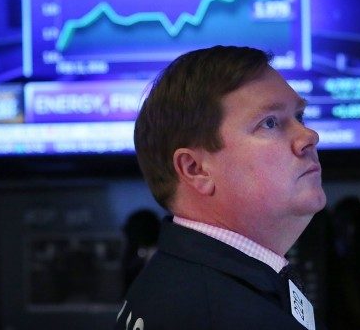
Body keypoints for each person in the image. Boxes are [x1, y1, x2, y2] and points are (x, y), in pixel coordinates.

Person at [116, 45, 327, 330]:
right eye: (270, 122)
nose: (309, 136)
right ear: (195, 169)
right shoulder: (235, 315)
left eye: (299, 117)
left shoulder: (171, 276)